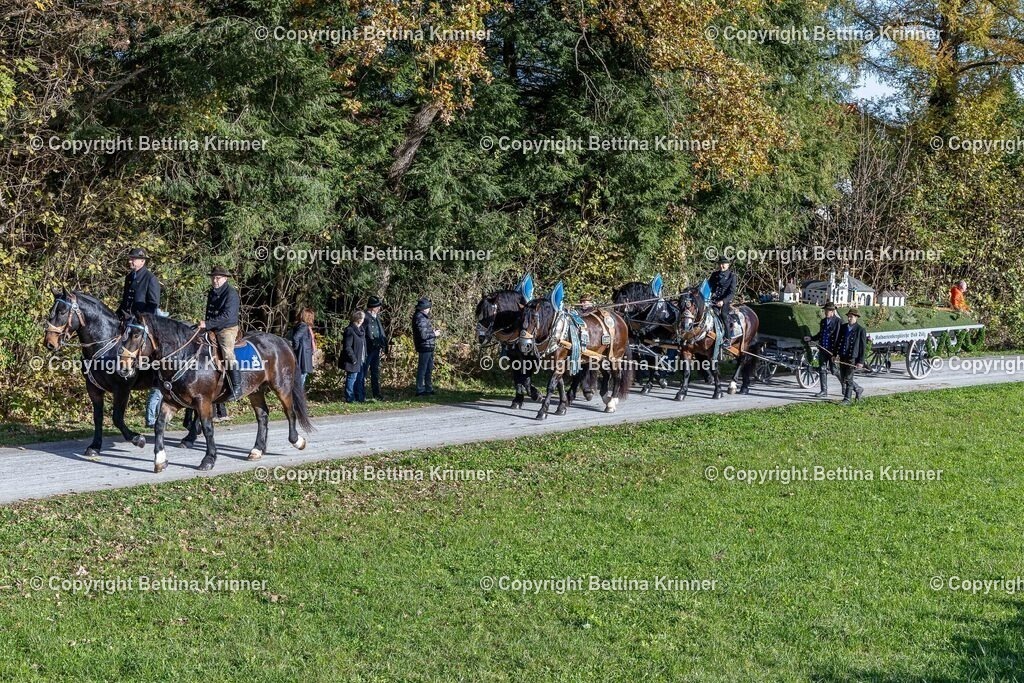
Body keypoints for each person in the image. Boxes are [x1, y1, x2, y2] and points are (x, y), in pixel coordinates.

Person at [118, 248, 165, 427]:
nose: (130, 261)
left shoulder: (150, 278)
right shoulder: (130, 277)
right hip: (129, 320)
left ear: (142, 261)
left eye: (134, 259)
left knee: (153, 347)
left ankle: (155, 376)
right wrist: (117, 316)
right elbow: (125, 301)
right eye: (130, 258)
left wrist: (141, 320)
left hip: (145, 321)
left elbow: (154, 304)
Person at [199, 265, 243, 401]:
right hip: (212, 327)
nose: (215, 280)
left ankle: (237, 387)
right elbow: (209, 312)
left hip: (227, 329)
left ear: (225, 278)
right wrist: (205, 326)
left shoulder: (231, 293)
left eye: (218, 278)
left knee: (227, 353)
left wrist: (208, 324)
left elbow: (228, 316)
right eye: (213, 278)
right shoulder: (212, 292)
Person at [803, 301, 841, 398]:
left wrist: (835, 353)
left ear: (832, 311)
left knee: (834, 370)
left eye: (827, 310)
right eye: (825, 310)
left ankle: (845, 386)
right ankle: (824, 391)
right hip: (823, 349)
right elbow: (821, 334)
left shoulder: (838, 322)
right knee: (822, 369)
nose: (825, 312)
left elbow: (837, 338)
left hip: (832, 350)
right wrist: (811, 338)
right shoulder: (823, 321)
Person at [836, 308, 867, 405]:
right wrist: (834, 354)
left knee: (848, 378)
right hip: (843, 356)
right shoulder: (843, 327)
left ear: (856, 318)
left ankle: (847, 399)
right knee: (843, 377)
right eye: (848, 317)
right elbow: (838, 342)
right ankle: (858, 389)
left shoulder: (860, 330)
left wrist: (860, 362)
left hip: (852, 357)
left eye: (851, 317)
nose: (849, 318)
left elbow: (863, 347)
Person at [361, 296, 388, 401]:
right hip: (368, 349)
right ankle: (361, 394)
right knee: (363, 372)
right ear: (372, 307)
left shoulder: (376, 317)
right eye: (377, 306)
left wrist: (384, 344)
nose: (379, 308)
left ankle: (376, 393)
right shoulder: (365, 317)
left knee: (375, 372)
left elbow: (380, 331)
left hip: (376, 349)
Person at [412, 298, 440, 396]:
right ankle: (420, 389)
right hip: (425, 346)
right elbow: (423, 335)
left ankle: (428, 388)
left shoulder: (422, 317)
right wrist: (434, 333)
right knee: (423, 368)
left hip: (428, 345)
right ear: (424, 308)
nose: (429, 309)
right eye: (428, 307)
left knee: (428, 368)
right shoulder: (420, 317)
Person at [708, 256, 736, 339]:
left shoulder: (732, 276)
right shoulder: (714, 274)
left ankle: (727, 338)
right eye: (720, 264)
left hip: (725, 302)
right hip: (712, 300)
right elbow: (709, 287)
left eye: (723, 264)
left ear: (728, 265)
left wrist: (723, 301)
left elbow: (732, 292)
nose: (721, 266)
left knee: (724, 315)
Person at [343, 310, 367, 403]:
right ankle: (350, 398)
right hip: (354, 359)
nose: (363, 320)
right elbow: (347, 347)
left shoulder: (361, 330)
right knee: (352, 378)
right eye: (362, 318)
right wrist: (353, 359)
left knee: (360, 379)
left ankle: (360, 397)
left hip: (361, 358)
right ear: (359, 319)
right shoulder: (350, 330)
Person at [291, 308, 317, 389]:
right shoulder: (304, 326)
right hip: (303, 354)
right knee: (302, 375)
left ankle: (298, 393)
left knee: (301, 374)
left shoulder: (301, 325)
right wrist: (297, 348)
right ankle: (298, 394)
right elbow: (295, 338)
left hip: (304, 353)